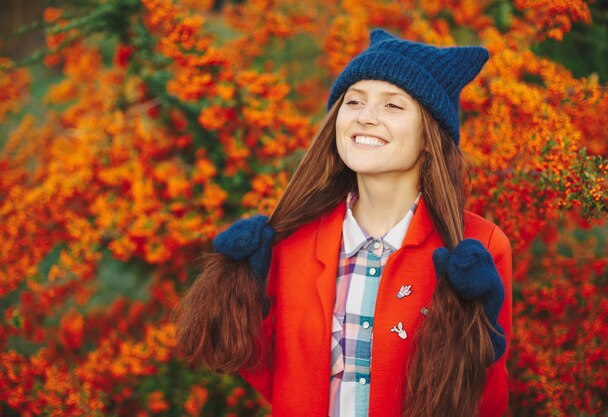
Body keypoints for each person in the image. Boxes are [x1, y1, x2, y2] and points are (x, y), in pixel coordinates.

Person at [175, 28, 513, 417]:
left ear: (429, 135)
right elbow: (274, 380)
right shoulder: (293, 242)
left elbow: (485, 406)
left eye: (393, 106)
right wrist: (242, 300)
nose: (366, 117)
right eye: (354, 101)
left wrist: (480, 343)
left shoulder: (478, 249)